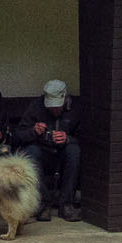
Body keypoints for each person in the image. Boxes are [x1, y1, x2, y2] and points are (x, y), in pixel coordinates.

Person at [14, 78, 82, 222]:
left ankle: (66, 204)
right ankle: (43, 203)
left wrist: (68, 138)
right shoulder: (36, 107)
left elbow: (85, 137)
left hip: (63, 154)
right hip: (43, 152)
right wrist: (34, 131)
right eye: (51, 107)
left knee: (74, 151)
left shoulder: (75, 109)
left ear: (64, 99)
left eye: (58, 106)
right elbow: (18, 135)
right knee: (31, 152)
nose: (55, 110)